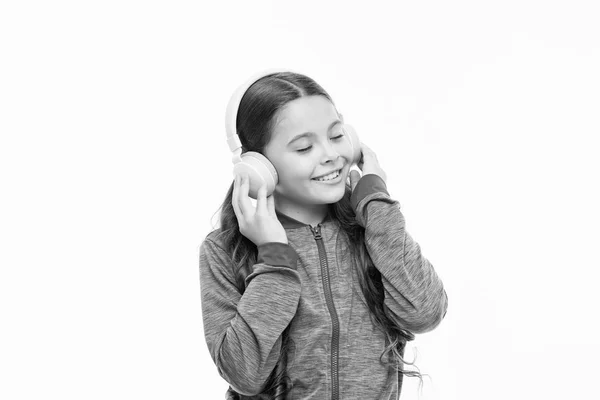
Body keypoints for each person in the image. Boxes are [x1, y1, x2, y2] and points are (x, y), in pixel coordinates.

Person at [199, 70, 448, 400]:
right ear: (258, 167)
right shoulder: (223, 251)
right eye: (304, 148)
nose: (330, 155)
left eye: (336, 135)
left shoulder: (372, 226)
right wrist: (274, 256)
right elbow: (244, 374)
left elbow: (425, 313)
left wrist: (377, 207)